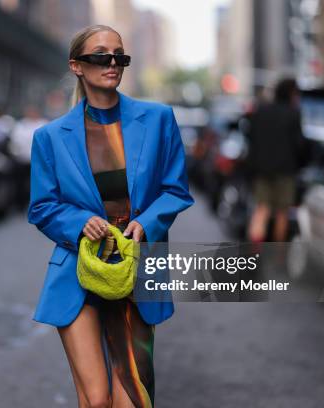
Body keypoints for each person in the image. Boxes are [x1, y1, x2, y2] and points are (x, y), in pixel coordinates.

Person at [27, 25, 194, 408]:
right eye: (101, 54)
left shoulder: (158, 120)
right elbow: (42, 206)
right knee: (97, 400)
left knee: (132, 400)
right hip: (77, 271)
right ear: (77, 66)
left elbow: (176, 190)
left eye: (119, 54)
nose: (113, 62)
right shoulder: (50, 137)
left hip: (136, 271)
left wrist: (147, 222)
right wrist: (77, 223)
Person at [246, 78, 308, 242]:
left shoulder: (261, 111)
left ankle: (255, 252)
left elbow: (251, 139)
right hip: (286, 171)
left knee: (261, 210)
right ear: (291, 93)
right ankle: (277, 257)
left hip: (262, 170)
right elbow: (299, 145)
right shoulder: (294, 114)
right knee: (282, 213)